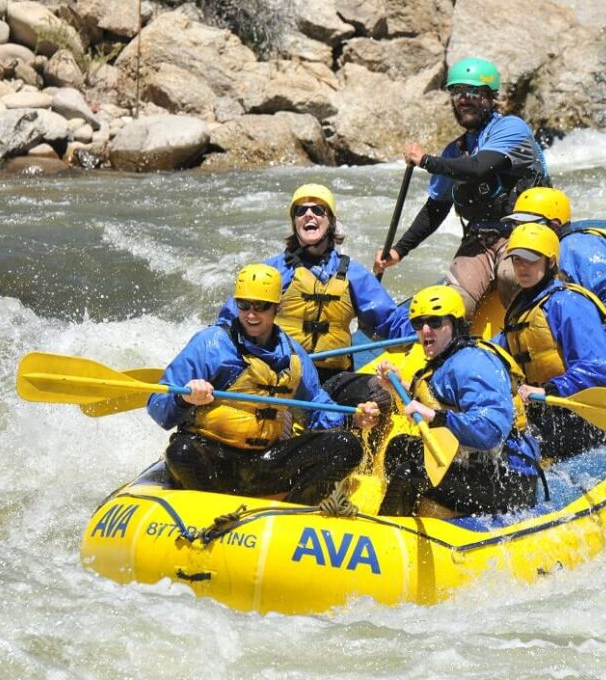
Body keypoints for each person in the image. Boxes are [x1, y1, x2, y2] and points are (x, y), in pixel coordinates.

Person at [150, 264, 380, 503]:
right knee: (180, 452)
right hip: (212, 456)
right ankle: (207, 515)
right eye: (244, 305)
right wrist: (184, 398)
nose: (251, 314)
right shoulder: (210, 344)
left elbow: (316, 407)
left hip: (263, 462)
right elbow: (158, 406)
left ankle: (291, 514)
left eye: (261, 306)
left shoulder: (293, 355)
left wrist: (353, 418)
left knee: (347, 445)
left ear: (277, 308)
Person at [372, 56, 551, 318]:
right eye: (457, 93)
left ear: (490, 98)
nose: (463, 99)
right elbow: (436, 208)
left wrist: (426, 161)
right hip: (479, 239)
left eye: (473, 92)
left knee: (510, 277)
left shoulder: (511, 128)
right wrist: (399, 250)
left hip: (523, 232)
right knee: (452, 307)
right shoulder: (453, 151)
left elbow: (479, 166)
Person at [218, 183, 413, 408]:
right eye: (301, 211)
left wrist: (429, 331)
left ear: (330, 220)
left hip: (331, 379)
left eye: (318, 210)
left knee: (378, 395)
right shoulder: (272, 273)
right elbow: (229, 323)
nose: (309, 214)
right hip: (279, 374)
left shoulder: (353, 274)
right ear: (295, 222)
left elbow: (390, 321)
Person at [376, 285, 540, 517]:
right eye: (418, 324)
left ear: (454, 324)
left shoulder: (473, 364)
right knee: (399, 449)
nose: (425, 330)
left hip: (510, 480)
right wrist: (396, 387)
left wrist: (435, 417)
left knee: (410, 473)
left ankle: (390, 534)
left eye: (435, 322)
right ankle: (417, 515)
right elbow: (436, 401)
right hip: (477, 466)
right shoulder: (447, 360)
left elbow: (491, 430)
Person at [502, 187, 606, 393]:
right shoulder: (535, 272)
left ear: (554, 224)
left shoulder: (576, 247)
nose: (520, 231)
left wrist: (580, 337)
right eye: (516, 225)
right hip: (579, 349)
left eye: (528, 224)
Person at [491, 223, 606, 459]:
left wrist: (549, 389)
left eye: (530, 260)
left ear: (550, 262)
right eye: (516, 260)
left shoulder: (568, 303)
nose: (522, 267)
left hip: (573, 412)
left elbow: (596, 368)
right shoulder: (521, 307)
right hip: (541, 408)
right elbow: (498, 349)